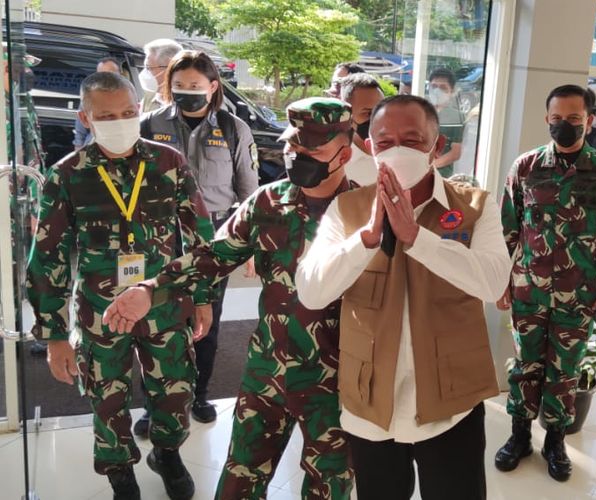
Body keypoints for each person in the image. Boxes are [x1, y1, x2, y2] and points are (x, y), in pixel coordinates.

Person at [103, 97, 357, 499]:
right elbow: (212, 257)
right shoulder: (270, 202)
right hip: (267, 372)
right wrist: (152, 288)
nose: (298, 155)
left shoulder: (364, 212)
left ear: (344, 153)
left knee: (329, 487)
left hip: (336, 381)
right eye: (294, 145)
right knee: (240, 482)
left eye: (314, 149)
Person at [295, 94, 512, 500]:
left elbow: (494, 283)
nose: (396, 150)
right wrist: (366, 239)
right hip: (371, 404)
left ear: (438, 147)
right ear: (369, 146)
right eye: (384, 141)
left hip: (453, 405)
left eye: (411, 141)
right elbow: (310, 290)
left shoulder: (476, 208)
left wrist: (417, 238)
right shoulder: (347, 210)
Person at [26, 71, 215, 500]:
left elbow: (201, 235)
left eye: (129, 113)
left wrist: (202, 298)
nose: (121, 121)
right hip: (100, 311)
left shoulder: (169, 162)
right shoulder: (67, 175)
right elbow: (48, 258)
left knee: (175, 389)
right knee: (107, 398)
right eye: (107, 115)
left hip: (163, 304)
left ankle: (167, 453)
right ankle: (119, 471)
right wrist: (55, 335)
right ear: (86, 118)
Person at [495, 84, 596, 481]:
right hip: (529, 288)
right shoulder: (526, 167)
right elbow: (507, 229)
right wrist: (500, 279)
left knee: (565, 370)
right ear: (546, 119)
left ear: (588, 119)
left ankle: (555, 440)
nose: (564, 125)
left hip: (580, 292)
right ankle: (519, 435)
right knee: (525, 365)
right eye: (557, 119)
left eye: (573, 119)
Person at [139, 50, 259, 427]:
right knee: (156, 323)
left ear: (212, 86)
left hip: (214, 237)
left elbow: (248, 192)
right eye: (179, 85)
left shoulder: (232, 128)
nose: (186, 91)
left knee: (207, 319)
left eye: (195, 85)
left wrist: (251, 246)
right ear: (168, 86)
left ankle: (199, 394)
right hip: (160, 234)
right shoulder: (148, 124)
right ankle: (154, 405)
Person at [340, 72, 384, 185]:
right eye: (368, 113)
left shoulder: (398, 154)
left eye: (381, 110)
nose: (376, 119)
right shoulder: (338, 163)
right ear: (347, 115)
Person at [72, 57, 122, 149]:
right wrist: (78, 153)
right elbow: (80, 131)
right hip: (93, 151)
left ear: (119, 74)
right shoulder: (89, 96)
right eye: (101, 74)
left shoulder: (129, 96)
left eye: (109, 74)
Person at [427, 68, 464, 178]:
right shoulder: (422, 111)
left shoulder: (456, 117)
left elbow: (455, 153)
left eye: (443, 87)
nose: (437, 91)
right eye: (434, 86)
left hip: (441, 175)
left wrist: (430, 167)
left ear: (452, 91)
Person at [140, 38, 183, 113]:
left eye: (149, 68)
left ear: (169, 69)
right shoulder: (148, 99)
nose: (145, 73)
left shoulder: (187, 102)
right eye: (145, 67)